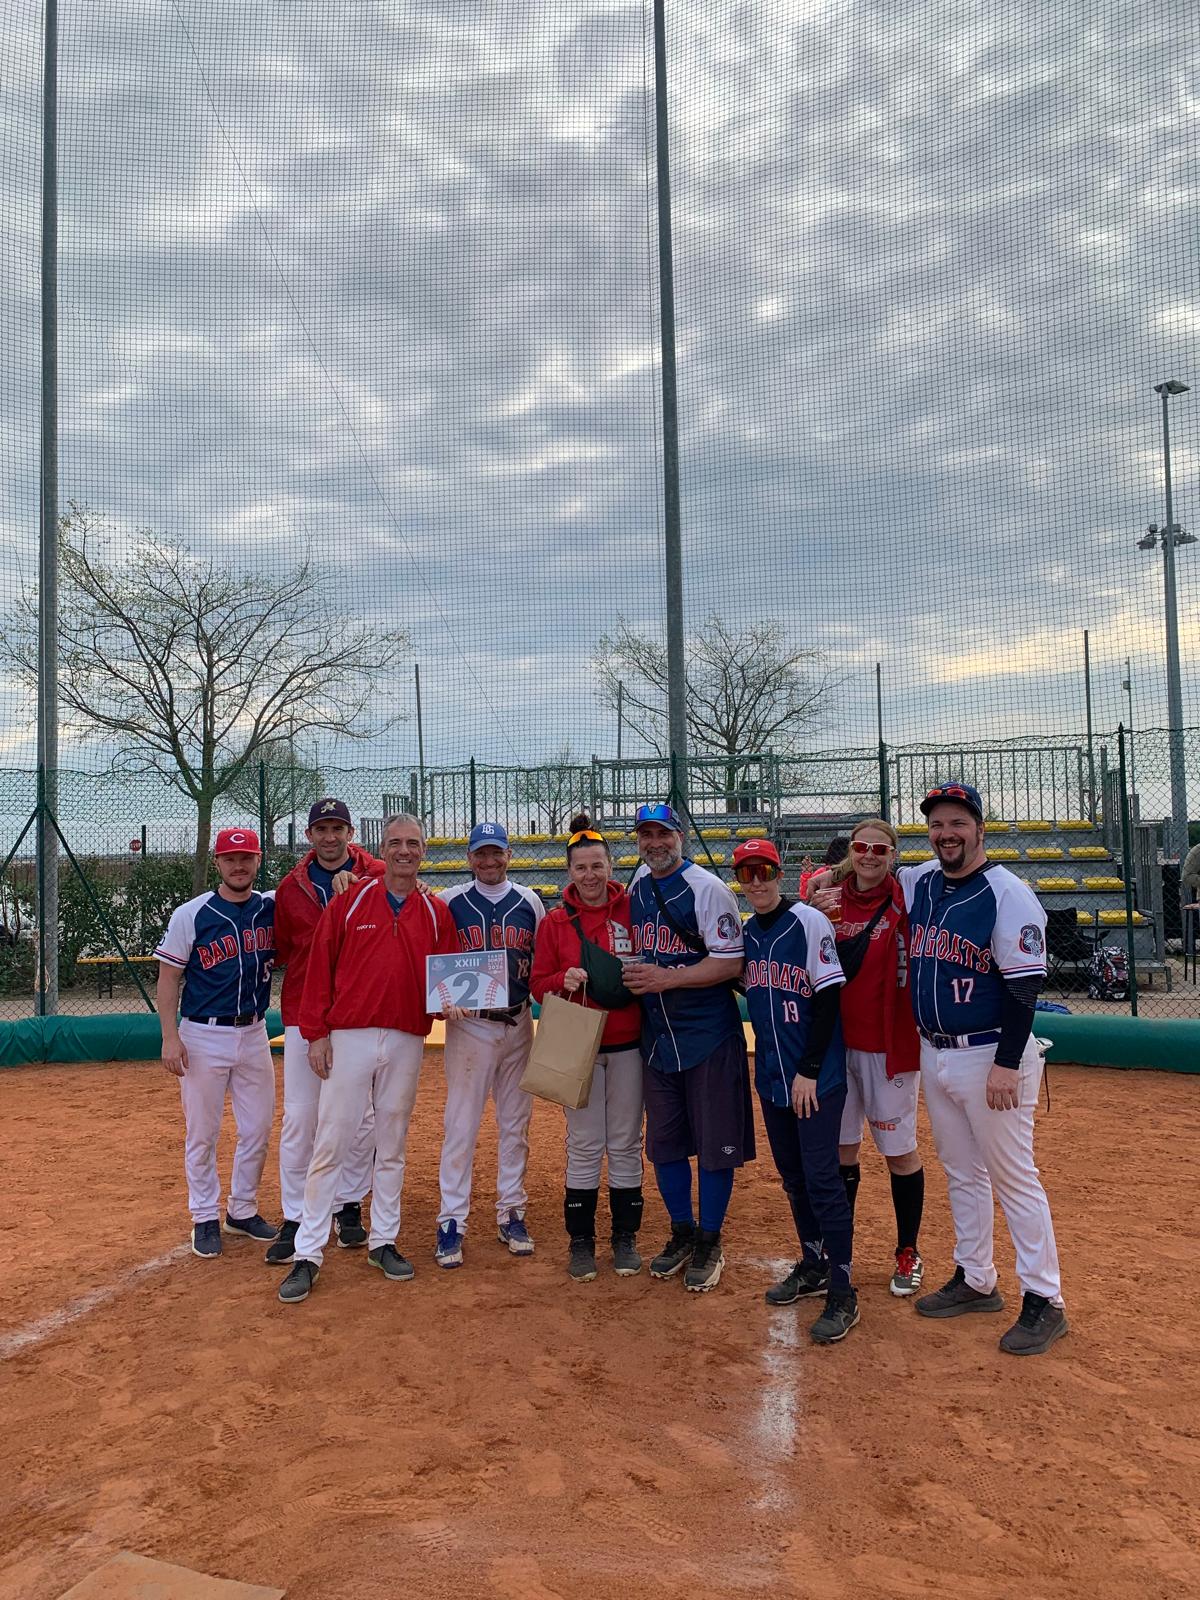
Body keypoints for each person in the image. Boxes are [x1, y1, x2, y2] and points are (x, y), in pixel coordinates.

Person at [903, 781, 1067, 1356]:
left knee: (1013, 1176)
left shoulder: (1008, 893)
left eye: (958, 823)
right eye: (937, 823)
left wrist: (1005, 1064)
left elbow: (1025, 989)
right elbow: (864, 875)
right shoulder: (920, 881)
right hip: (936, 1050)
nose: (946, 833)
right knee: (961, 1171)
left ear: (979, 829)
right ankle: (976, 1279)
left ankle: (1045, 1299)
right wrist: (830, 879)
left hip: (991, 1053)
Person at [277, 813, 458, 1303]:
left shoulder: (436, 911)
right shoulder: (350, 900)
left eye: (413, 844)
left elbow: (446, 979)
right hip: (351, 1034)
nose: (405, 851)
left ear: (424, 851)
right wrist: (315, 1033)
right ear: (383, 847)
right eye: (396, 843)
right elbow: (319, 967)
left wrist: (451, 1000)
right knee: (331, 1141)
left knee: (391, 1141)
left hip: (405, 1037)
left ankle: (384, 1240)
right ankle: (308, 1252)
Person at [624, 801, 751, 1293]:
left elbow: (729, 963)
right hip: (657, 1040)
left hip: (708, 1038)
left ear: (681, 837)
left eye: (663, 833)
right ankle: (681, 1231)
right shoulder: (638, 884)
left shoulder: (708, 888)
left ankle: (709, 1239)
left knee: (716, 1149)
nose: (654, 842)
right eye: (645, 835)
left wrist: (666, 977)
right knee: (666, 1146)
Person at [735, 837, 858, 1343]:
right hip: (771, 1075)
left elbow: (829, 998)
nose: (757, 881)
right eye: (747, 874)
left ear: (779, 872)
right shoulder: (746, 934)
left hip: (816, 1077)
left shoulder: (807, 922)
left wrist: (809, 1066)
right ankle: (813, 1263)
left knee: (823, 1178)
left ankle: (844, 1290)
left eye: (764, 870)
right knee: (793, 1178)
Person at [805, 818, 926, 1297]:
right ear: (850, 853)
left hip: (887, 1048)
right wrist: (821, 886)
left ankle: (908, 1250)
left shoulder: (907, 898)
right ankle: (841, 1249)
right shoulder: (828, 900)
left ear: (893, 855)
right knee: (842, 1150)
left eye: (880, 849)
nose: (870, 856)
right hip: (837, 1045)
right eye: (862, 847)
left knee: (899, 1154)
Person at [530, 813, 644, 1281]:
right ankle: (581, 1241)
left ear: (611, 868)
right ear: (569, 872)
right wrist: (564, 978)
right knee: (583, 1143)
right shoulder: (555, 922)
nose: (590, 876)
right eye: (581, 868)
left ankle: (624, 1237)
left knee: (625, 1142)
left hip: (628, 1041)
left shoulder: (635, 910)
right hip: (578, 1044)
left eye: (598, 866)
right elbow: (538, 987)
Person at [268, 797, 382, 1266]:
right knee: (300, 1117)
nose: (330, 837)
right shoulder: (290, 889)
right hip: (302, 1011)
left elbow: (403, 892)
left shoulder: (374, 874)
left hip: (357, 1011)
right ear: (310, 836)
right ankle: (296, 1214)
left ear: (350, 833)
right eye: (322, 829)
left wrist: (361, 886)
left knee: (363, 1117)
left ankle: (348, 1204)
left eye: (338, 828)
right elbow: (280, 950)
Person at [155, 827, 279, 1258]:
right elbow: (169, 978)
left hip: (254, 1032)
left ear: (258, 860)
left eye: (247, 858)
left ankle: (242, 1210)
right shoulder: (192, 913)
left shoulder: (270, 907)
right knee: (203, 1132)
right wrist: (170, 1038)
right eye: (230, 859)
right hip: (203, 1033)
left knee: (259, 1128)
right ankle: (204, 1215)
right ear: (218, 863)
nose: (239, 865)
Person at [435, 821, 545, 1267]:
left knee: (516, 1124)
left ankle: (511, 1212)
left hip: (519, 1023)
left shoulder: (530, 902)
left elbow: (542, 957)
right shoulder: (449, 902)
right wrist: (444, 999)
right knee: (460, 1127)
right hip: (471, 1028)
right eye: (481, 853)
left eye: (496, 852)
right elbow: (433, 961)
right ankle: (451, 1222)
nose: (489, 861)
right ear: (469, 859)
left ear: (509, 854)